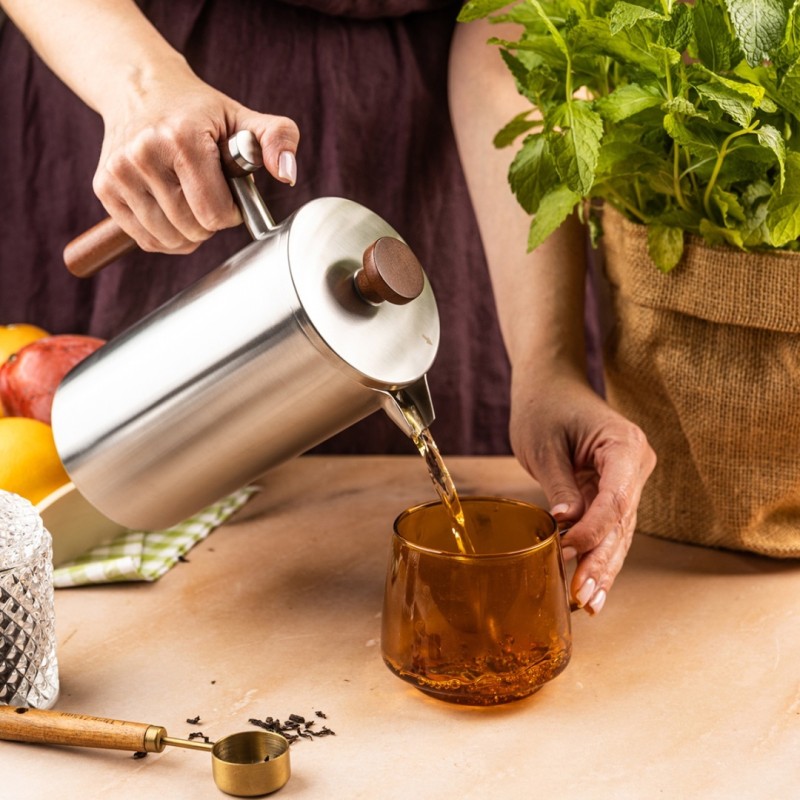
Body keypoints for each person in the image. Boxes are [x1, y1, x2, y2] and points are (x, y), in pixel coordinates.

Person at [0, 0, 655, 614]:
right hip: (137, 90)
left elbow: (513, 21)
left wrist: (546, 364)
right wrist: (142, 88)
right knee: (91, 493)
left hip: (448, 159)